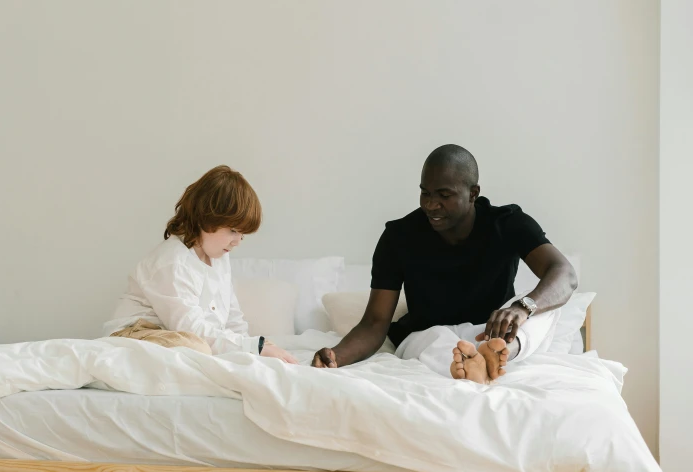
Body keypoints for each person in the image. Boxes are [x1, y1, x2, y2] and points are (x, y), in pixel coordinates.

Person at [312, 145, 577, 383]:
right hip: (428, 333)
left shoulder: (507, 223)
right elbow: (374, 323)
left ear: (473, 193)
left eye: (444, 195)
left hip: (490, 331)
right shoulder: (399, 236)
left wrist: (522, 308)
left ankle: (497, 352)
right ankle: (472, 364)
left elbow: (565, 275)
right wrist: (336, 356)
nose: (430, 204)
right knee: (433, 340)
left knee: (544, 309)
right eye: (424, 193)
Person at [103, 165, 298, 364]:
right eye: (232, 230)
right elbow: (190, 328)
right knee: (198, 347)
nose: (237, 241)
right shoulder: (172, 261)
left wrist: (254, 349)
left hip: (178, 337)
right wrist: (252, 348)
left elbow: (233, 320)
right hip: (133, 336)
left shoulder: (220, 258)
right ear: (207, 218)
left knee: (260, 347)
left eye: (242, 234)